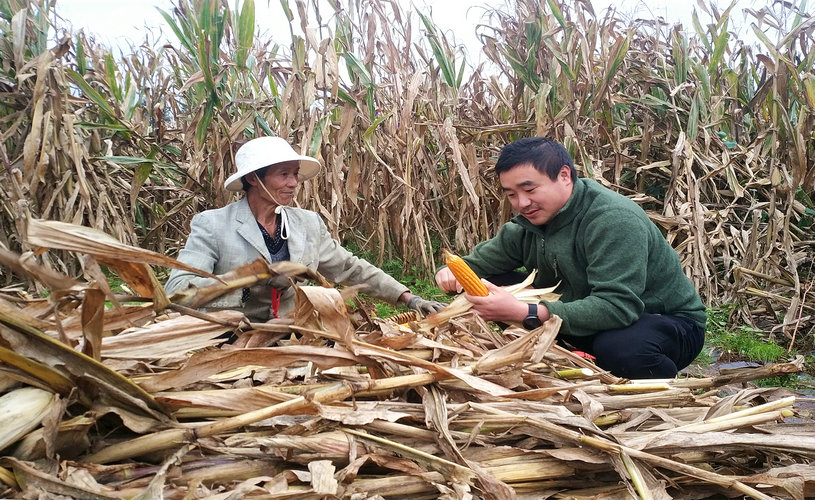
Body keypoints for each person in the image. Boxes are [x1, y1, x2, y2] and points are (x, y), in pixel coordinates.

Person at [435, 137, 706, 379]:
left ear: (564, 176)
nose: (522, 203)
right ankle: (574, 352)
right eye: (511, 195)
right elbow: (477, 264)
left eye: (530, 190)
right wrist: (453, 272)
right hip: (583, 312)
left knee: (620, 349)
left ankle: (657, 380)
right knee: (488, 283)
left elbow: (617, 306)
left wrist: (526, 312)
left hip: (661, 321)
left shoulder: (613, 220)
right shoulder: (529, 222)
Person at [165, 135, 444, 323]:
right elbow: (177, 291)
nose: (293, 183)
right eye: (283, 174)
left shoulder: (307, 224)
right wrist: (251, 278)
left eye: (295, 174)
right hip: (228, 336)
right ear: (253, 178)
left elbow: (350, 267)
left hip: (293, 336)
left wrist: (408, 298)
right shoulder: (213, 225)